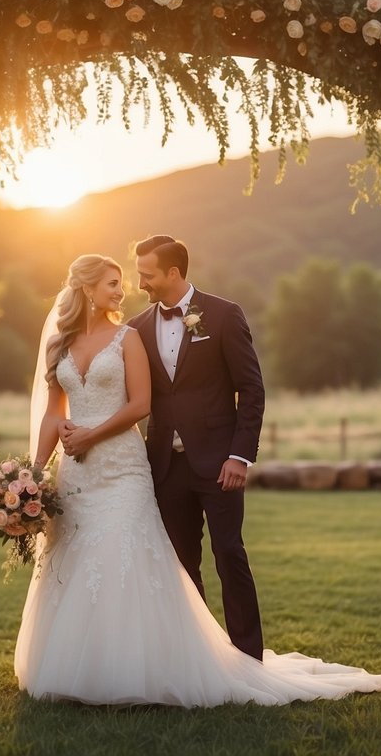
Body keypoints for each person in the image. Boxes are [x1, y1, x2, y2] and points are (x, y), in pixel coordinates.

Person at [15, 253, 381, 706]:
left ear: (172, 272)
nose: (126, 289)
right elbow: (53, 416)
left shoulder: (132, 335)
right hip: (86, 474)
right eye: (114, 283)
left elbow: (145, 404)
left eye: (132, 279)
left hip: (132, 465)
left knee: (191, 554)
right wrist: (34, 474)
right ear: (86, 288)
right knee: (89, 561)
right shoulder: (73, 340)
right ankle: (85, 667)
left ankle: (224, 658)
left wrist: (91, 435)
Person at [128, 234, 264, 659]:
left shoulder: (224, 315)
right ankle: (199, 658)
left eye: (147, 275)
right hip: (166, 467)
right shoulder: (135, 329)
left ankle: (247, 656)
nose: (141, 285)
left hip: (220, 462)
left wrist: (240, 456)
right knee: (182, 566)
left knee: (229, 555)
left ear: (173, 272)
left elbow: (251, 389)